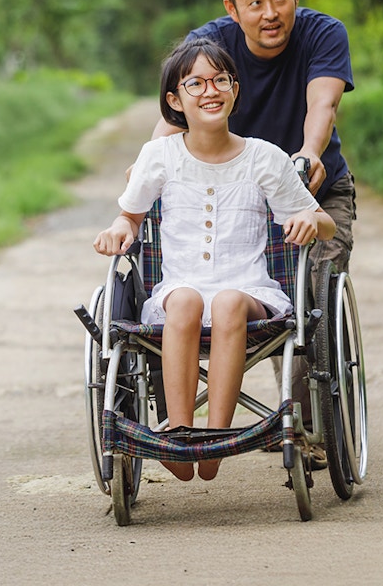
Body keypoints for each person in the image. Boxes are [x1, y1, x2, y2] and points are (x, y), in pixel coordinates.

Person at [149, 0, 356, 469]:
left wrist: (308, 153)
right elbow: (176, 119)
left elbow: (323, 102)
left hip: (306, 189)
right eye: (256, 1)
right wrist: (147, 164)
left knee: (311, 300)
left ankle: (309, 429)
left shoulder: (322, 33)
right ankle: (172, 416)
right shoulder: (209, 50)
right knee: (176, 294)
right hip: (230, 192)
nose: (271, 13)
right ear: (231, 8)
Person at [95, 38, 336, 482]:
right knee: (185, 299)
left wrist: (307, 220)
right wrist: (118, 230)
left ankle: (216, 441)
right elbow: (130, 218)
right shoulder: (159, 156)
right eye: (196, 83)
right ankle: (180, 434)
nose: (211, 90)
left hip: (248, 291)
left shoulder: (264, 156)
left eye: (220, 79)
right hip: (178, 292)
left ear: (234, 89)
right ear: (175, 99)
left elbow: (324, 223)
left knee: (226, 300)